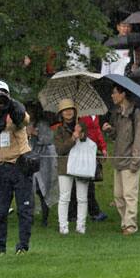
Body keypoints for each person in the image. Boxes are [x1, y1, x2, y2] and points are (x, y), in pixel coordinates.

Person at [0, 81, 34, 256]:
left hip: (21, 165)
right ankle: (0, 248)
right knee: (1, 211)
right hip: (2, 167)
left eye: (3, 95)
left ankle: (23, 246)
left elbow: (25, 119)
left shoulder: (16, 110)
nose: (0, 101)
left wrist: (10, 106)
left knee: (24, 209)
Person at [101, 85, 140, 235]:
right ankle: (124, 222)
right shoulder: (116, 113)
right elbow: (117, 135)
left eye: (114, 93)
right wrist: (110, 130)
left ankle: (130, 226)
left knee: (129, 195)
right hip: (118, 159)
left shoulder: (136, 113)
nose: (112, 96)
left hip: (130, 160)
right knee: (118, 196)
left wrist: (136, 161)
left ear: (123, 94)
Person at [53, 100, 93, 235]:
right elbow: (60, 150)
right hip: (65, 167)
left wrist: (81, 134)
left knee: (82, 197)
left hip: (82, 165)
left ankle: (81, 226)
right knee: (64, 197)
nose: (68, 112)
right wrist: (72, 138)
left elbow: (87, 142)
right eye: (65, 110)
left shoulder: (81, 125)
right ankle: (63, 226)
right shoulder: (58, 130)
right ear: (61, 113)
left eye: (70, 109)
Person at [78, 114, 107, 222]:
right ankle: (93, 211)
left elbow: (97, 131)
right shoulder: (81, 116)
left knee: (89, 183)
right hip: (82, 151)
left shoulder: (95, 116)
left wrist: (103, 147)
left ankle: (94, 211)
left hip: (91, 152)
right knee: (85, 184)